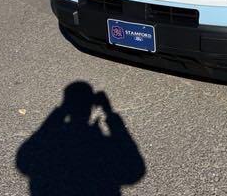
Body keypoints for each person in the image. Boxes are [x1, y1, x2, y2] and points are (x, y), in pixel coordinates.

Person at [16, 81, 145, 196]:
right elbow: (134, 170)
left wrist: (61, 110)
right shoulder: (102, 143)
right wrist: (108, 111)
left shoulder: (57, 139)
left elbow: (24, 159)